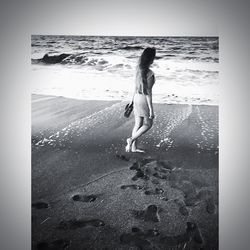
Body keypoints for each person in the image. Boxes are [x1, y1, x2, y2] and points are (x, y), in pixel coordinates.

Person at [125, 47, 156, 153]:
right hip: (143, 100)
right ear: (151, 59)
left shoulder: (138, 69)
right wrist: (151, 110)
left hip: (136, 98)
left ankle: (134, 148)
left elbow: (135, 87)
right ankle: (131, 140)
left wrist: (131, 100)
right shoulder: (150, 73)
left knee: (138, 124)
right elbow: (148, 93)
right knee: (148, 124)